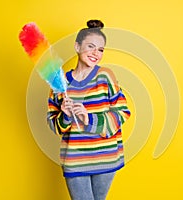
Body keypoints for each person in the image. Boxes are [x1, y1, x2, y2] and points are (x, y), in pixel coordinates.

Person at [47, 19, 131, 200]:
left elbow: (123, 111)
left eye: (100, 49)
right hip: (74, 160)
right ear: (77, 47)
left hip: (106, 156)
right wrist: (66, 116)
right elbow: (54, 125)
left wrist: (89, 118)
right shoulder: (60, 83)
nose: (96, 53)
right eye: (90, 46)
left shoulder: (105, 76)